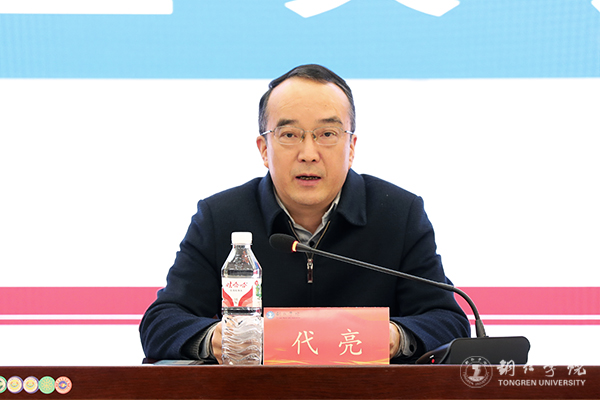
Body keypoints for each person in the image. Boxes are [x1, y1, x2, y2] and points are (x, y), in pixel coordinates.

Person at [139, 64, 470, 364]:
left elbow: (447, 321)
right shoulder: (220, 217)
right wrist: (219, 339)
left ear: (351, 147)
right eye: (289, 135)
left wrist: (394, 337)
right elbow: (161, 323)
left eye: (327, 134)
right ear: (264, 149)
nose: (309, 154)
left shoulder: (398, 213)